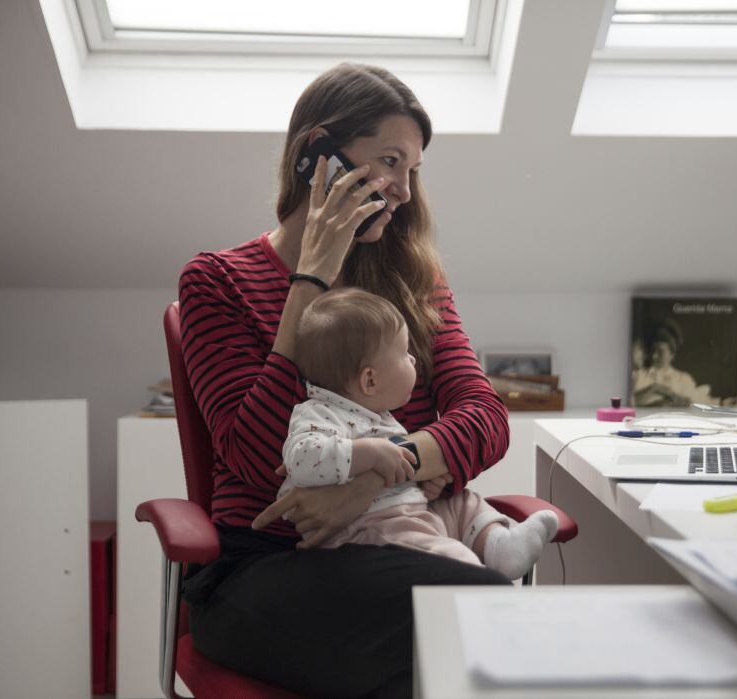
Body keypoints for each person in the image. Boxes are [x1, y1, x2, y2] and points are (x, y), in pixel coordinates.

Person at [177, 63, 517, 698]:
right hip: (266, 569)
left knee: (457, 634)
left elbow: (486, 419)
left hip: (401, 543)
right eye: (390, 161)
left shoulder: (416, 284)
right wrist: (310, 282)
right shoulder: (216, 281)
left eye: (412, 170)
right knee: (469, 623)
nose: (405, 191)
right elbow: (255, 460)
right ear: (318, 156)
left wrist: (367, 481)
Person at [283, 287, 558, 579]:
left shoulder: (378, 413)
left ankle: (499, 547)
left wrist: (423, 480)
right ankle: (470, 570)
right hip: (369, 529)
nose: (414, 360)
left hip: (405, 509)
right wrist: (369, 454)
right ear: (370, 380)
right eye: (404, 353)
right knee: (450, 558)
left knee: (462, 501)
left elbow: (482, 415)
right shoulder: (319, 413)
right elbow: (300, 460)